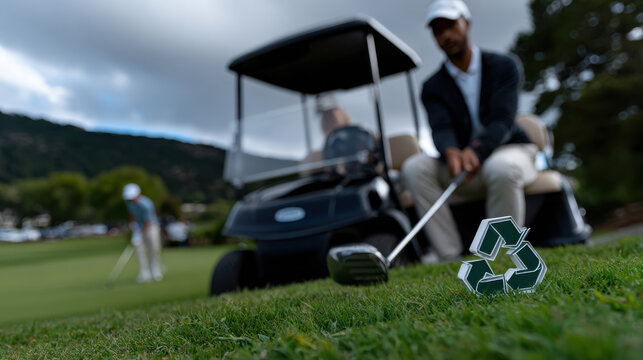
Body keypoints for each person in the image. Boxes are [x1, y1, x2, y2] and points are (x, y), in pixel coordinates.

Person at [402, 0, 537, 262]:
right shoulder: (432, 87)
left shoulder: (504, 66)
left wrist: (476, 149)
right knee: (413, 167)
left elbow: (502, 120)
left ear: (467, 23)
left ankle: (499, 259)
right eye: (438, 30)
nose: (445, 35)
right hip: (462, 165)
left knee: (501, 168)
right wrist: (450, 151)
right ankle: (449, 257)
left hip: (509, 150)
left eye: (450, 25)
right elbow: (441, 128)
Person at [122, 183, 164, 282]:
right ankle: (144, 272)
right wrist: (133, 226)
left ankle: (155, 269)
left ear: (138, 194)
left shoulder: (147, 204)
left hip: (151, 226)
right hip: (139, 226)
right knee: (139, 250)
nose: (131, 200)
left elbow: (148, 222)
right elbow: (132, 214)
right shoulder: (129, 203)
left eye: (132, 197)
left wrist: (139, 234)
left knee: (154, 248)